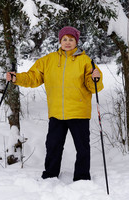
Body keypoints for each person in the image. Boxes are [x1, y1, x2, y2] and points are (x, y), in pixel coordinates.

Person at [6, 26, 103, 181]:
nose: (68, 42)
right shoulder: (49, 60)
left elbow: (93, 87)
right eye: (65, 39)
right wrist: (16, 78)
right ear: (60, 41)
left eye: (71, 39)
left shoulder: (85, 61)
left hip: (79, 111)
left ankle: (82, 178)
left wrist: (95, 78)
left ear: (76, 41)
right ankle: (50, 175)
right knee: (53, 146)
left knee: (82, 148)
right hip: (57, 113)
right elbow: (33, 77)